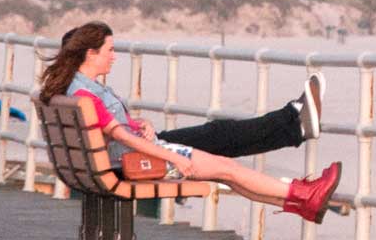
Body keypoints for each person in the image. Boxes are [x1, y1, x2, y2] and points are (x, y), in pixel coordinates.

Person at [36, 21, 341, 223]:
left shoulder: (72, 89)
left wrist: (136, 123)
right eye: (110, 50)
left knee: (223, 154)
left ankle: (303, 195)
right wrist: (171, 157)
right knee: (225, 163)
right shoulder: (87, 94)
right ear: (89, 53)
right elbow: (122, 137)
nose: (115, 56)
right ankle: (303, 191)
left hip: (110, 162)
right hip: (133, 162)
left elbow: (112, 128)